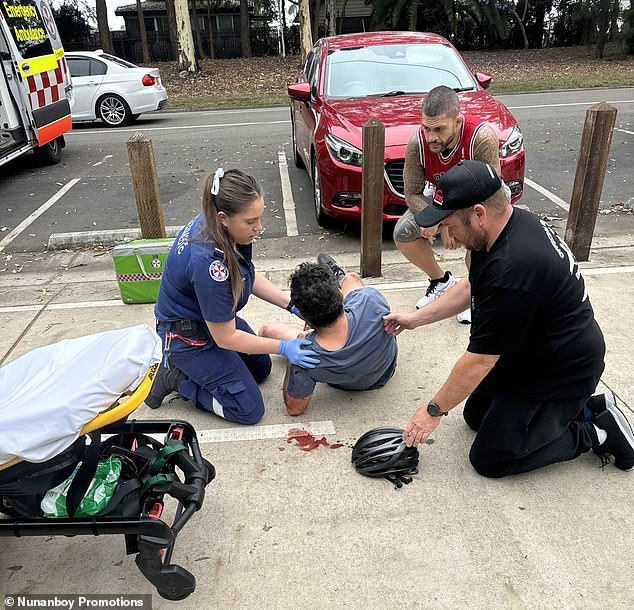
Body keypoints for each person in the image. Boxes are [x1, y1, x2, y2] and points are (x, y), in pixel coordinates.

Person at [384, 160, 634, 477]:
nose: (447, 233)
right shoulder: (503, 230)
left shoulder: (512, 270)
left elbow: (479, 361)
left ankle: (599, 432)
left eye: (450, 224)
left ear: (478, 213)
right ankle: (586, 408)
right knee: (475, 416)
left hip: (562, 368)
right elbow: (471, 287)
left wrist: (432, 411)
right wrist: (414, 318)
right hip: (529, 350)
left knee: (492, 459)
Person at [146, 168, 319, 424]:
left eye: (259, 218)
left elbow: (246, 275)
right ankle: (177, 378)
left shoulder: (219, 225)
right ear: (224, 218)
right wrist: (283, 346)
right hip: (189, 336)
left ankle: (200, 372)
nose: (258, 228)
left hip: (213, 318)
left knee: (261, 369)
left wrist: (292, 306)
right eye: (251, 222)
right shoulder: (208, 264)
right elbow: (226, 338)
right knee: (248, 410)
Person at [394, 85, 506, 322]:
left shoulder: (481, 138)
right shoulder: (417, 144)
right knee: (402, 232)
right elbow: (412, 194)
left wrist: (453, 223)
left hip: (481, 199)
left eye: (439, 129)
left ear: (457, 122)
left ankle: (473, 293)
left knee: (478, 240)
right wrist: (441, 221)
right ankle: (441, 282)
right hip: (440, 201)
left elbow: (490, 190)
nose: (431, 136)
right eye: (427, 128)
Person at [258, 254, 398, 416]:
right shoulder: (370, 299)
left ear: (304, 316)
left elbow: (295, 408)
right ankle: (338, 276)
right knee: (352, 278)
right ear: (341, 297)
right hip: (384, 371)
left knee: (265, 331)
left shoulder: (305, 355)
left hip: (346, 384)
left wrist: (292, 352)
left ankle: (316, 328)